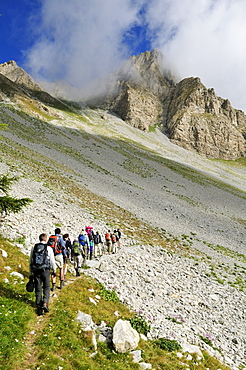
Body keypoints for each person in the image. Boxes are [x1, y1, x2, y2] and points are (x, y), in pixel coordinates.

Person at [29, 233, 56, 315]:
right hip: (45, 270)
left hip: (36, 270)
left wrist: (31, 272)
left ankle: (38, 304)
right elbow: (52, 260)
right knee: (47, 287)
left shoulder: (34, 248)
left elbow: (31, 260)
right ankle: (45, 303)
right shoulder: (48, 248)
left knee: (38, 287)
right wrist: (54, 270)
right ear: (45, 239)